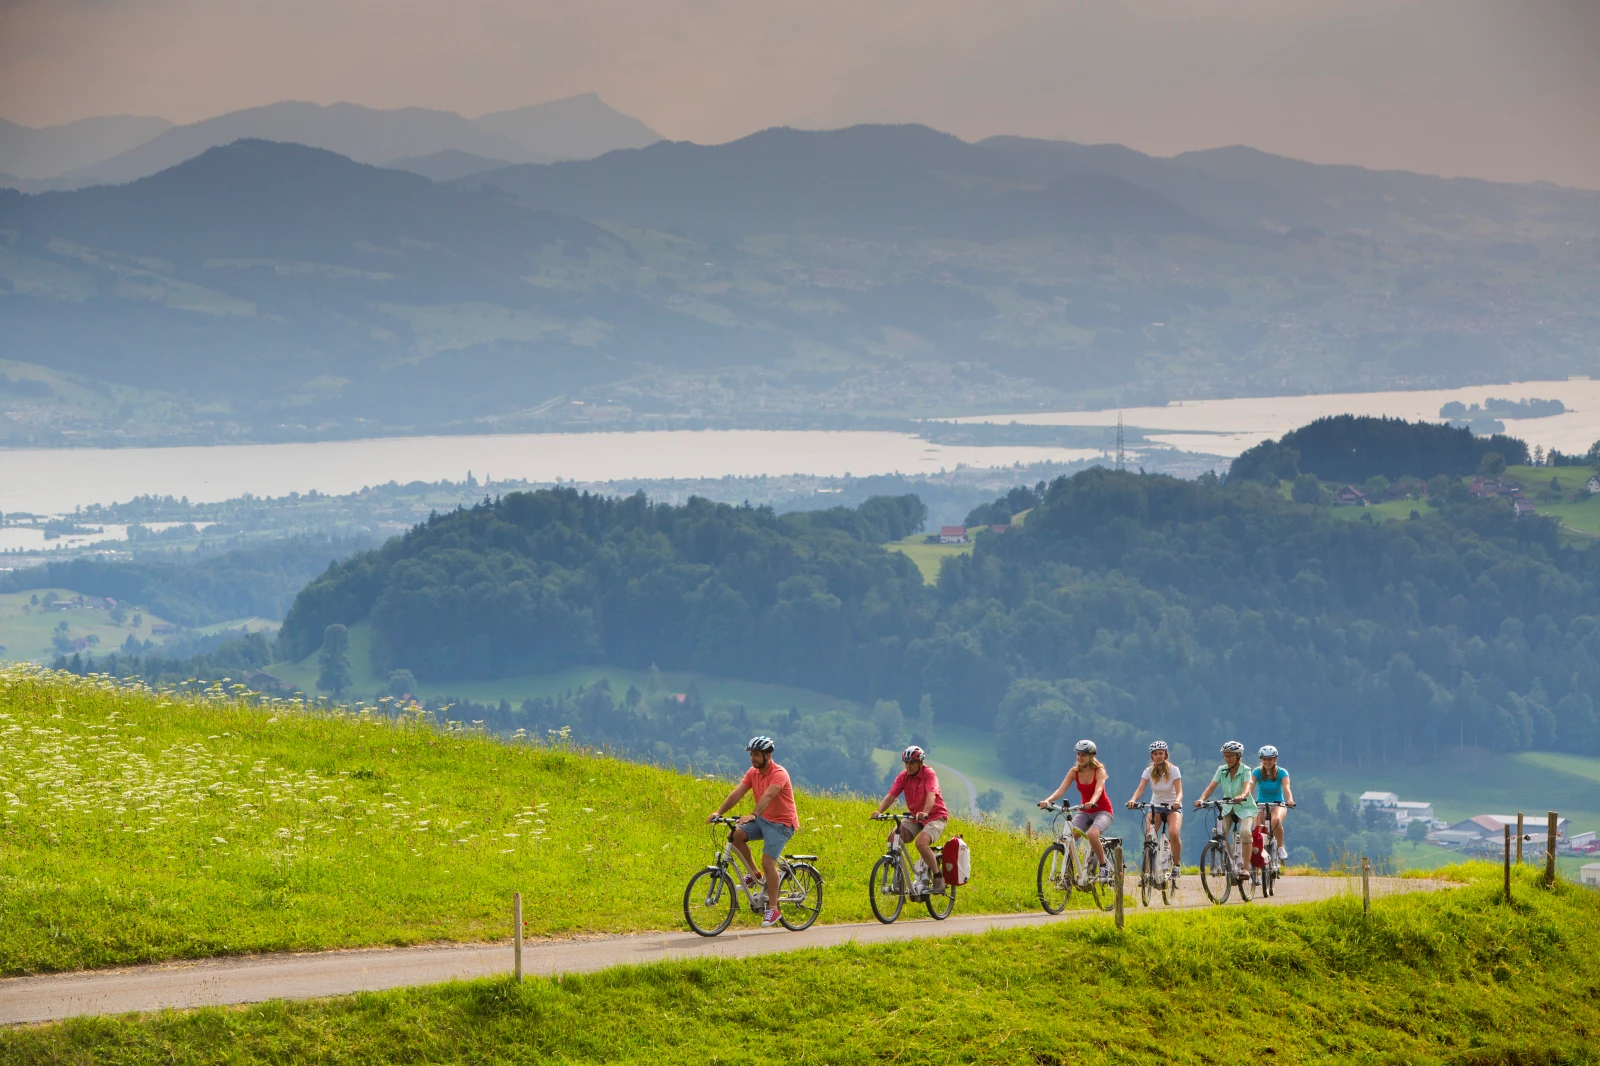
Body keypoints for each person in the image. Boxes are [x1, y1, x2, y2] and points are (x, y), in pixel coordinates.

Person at [707, 735, 799, 928]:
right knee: (735, 835)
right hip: (764, 820)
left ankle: (773, 909)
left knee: (769, 863)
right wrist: (719, 812)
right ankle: (755, 874)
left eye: (756, 755)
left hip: (782, 824)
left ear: (767, 755)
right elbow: (737, 793)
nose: (752, 759)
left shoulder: (779, 773)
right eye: (751, 755)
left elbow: (768, 795)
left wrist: (754, 814)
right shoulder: (752, 773)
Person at [873, 744, 951, 894]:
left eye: (912, 763)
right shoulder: (903, 776)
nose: (908, 766)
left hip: (935, 816)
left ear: (920, 763)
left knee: (921, 843)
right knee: (893, 838)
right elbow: (891, 795)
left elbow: (931, 795)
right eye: (906, 763)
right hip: (914, 817)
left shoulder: (929, 774)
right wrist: (879, 811)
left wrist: (925, 812)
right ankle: (899, 882)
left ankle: (938, 876)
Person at [1039, 739, 1113, 872]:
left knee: (1092, 834)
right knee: (1069, 838)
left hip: (1103, 810)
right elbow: (1060, 790)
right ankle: (1072, 870)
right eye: (1078, 754)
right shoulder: (1074, 772)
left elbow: (1099, 789)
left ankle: (1103, 866)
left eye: (1083, 755)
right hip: (1084, 811)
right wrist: (1048, 800)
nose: (1080, 757)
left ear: (1091, 756)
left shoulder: (1099, 771)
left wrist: (1092, 801)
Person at [1195, 740, 1257, 877]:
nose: (1228, 759)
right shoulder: (1221, 770)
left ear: (1238, 756)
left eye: (1231, 756)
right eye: (1225, 756)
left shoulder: (1245, 770)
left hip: (1245, 807)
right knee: (1219, 832)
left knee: (1245, 832)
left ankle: (1246, 868)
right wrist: (1201, 799)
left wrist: (1242, 795)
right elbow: (1211, 787)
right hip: (1228, 807)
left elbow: (1248, 786)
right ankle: (1228, 859)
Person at [1126, 740, 1183, 877]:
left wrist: (1177, 801)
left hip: (1172, 807)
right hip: (1155, 807)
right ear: (1152, 757)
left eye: (1160, 753)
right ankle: (1146, 873)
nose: (1158, 756)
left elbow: (1179, 791)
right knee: (1149, 837)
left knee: (1174, 833)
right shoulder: (1148, 771)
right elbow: (1140, 789)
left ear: (1165, 755)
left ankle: (1176, 865)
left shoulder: (1174, 770)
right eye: (1155, 754)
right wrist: (1133, 799)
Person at [1252, 745, 1296, 862]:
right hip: (1261, 804)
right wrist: (1244, 799)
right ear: (1261, 760)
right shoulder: (1257, 772)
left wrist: (1290, 800)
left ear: (1275, 759)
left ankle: (1280, 847)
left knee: (1275, 821)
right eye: (1264, 759)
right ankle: (1258, 856)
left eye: (1270, 759)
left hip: (1278, 804)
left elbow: (1287, 788)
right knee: (1258, 828)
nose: (1267, 762)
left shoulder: (1282, 772)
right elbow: (1250, 787)